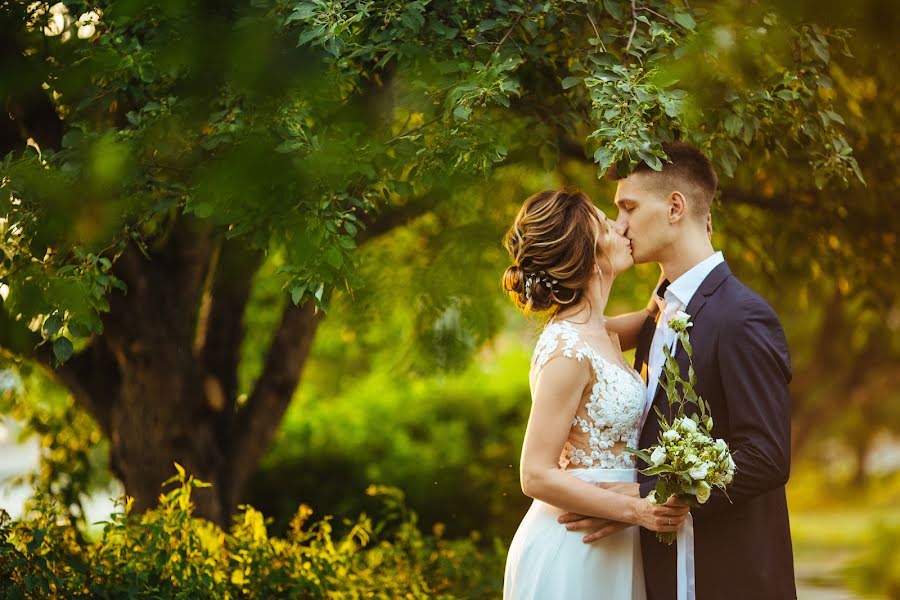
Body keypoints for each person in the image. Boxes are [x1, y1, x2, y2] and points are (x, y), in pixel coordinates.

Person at [558, 142, 796, 600]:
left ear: (674, 206)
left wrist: (645, 496)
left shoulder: (742, 316)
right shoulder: (660, 311)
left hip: (729, 576)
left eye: (628, 207)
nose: (619, 226)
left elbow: (766, 456)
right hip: (659, 573)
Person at [501, 189, 690, 600]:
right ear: (588, 256)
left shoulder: (601, 331)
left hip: (619, 544)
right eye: (607, 225)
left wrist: (684, 239)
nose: (621, 227)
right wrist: (637, 509)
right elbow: (534, 473)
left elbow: (656, 316)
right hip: (574, 547)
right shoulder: (566, 350)